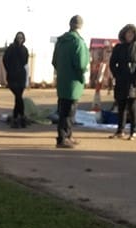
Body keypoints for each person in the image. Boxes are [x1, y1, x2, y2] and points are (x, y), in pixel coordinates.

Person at [52, 15, 90, 149]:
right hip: (74, 82)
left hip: (62, 81)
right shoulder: (78, 42)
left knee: (63, 109)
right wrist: (81, 75)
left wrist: (63, 72)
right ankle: (63, 138)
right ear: (80, 26)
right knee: (69, 112)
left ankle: (68, 136)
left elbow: (54, 61)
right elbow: (80, 64)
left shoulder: (61, 41)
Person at [108, 24, 136, 140]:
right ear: (123, 34)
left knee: (133, 107)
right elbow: (112, 63)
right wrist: (117, 74)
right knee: (121, 107)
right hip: (121, 81)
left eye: (131, 33)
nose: (129, 35)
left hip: (134, 82)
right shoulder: (118, 47)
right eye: (127, 33)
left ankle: (133, 131)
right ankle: (120, 130)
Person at [3, 31, 30, 128]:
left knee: (18, 98)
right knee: (18, 97)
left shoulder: (24, 50)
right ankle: (21, 117)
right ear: (15, 38)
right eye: (18, 37)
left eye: (21, 38)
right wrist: (9, 70)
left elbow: (25, 61)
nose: (19, 39)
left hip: (21, 76)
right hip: (12, 77)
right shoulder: (11, 49)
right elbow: (5, 60)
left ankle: (15, 118)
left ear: (23, 39)